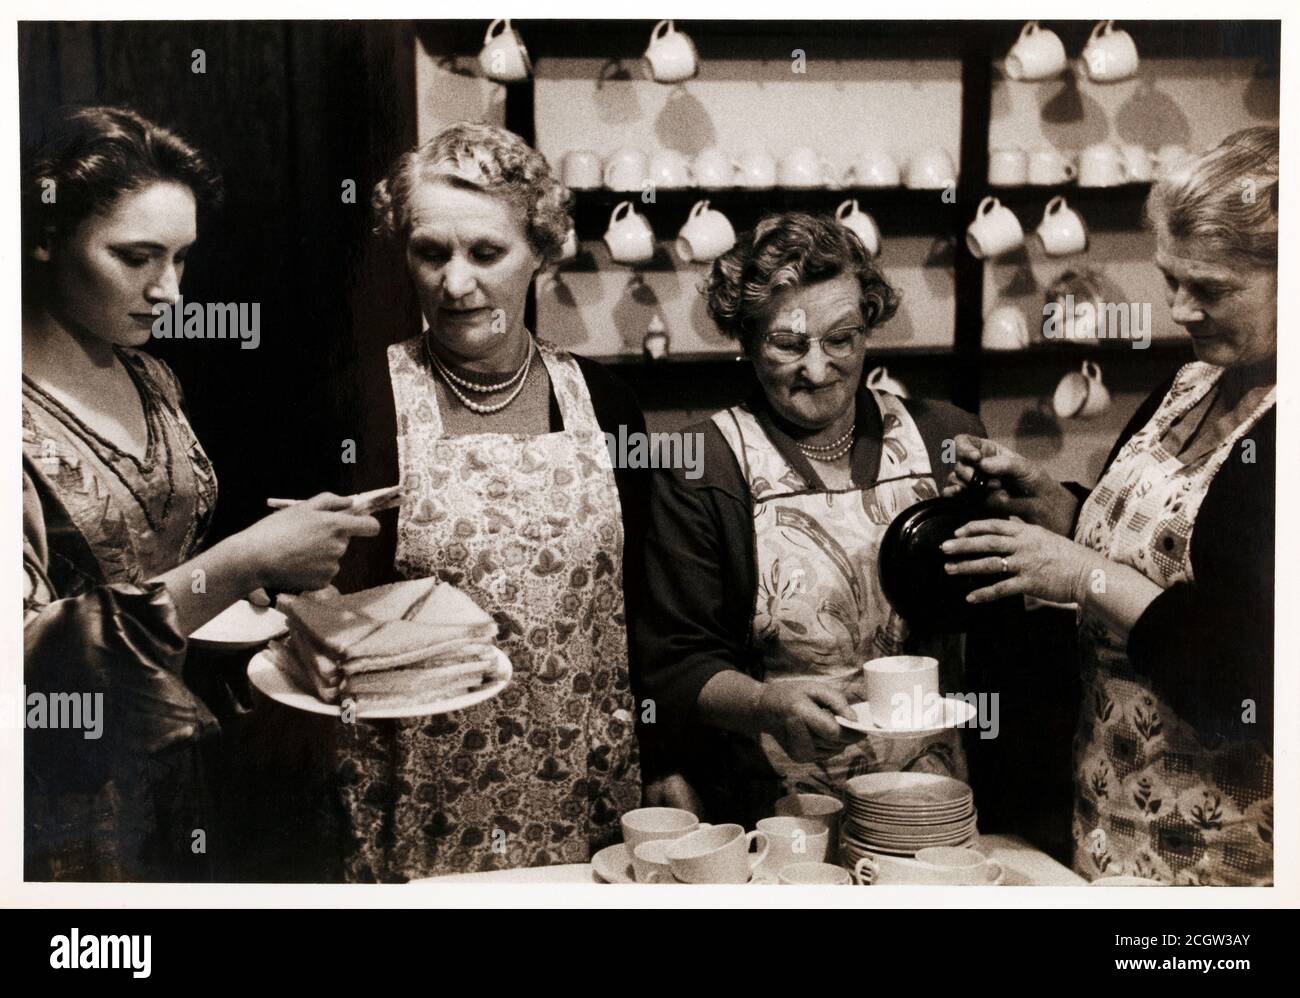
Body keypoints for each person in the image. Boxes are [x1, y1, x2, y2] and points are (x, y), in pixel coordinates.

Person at [21, 105, 379, 881]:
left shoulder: (148, 376)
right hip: (57, 810)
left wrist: (271, 571)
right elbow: (23, 661)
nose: (171, 292)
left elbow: (164, 563)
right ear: (45, 238)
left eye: (181, 259)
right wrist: (241, 561)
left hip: (183, 778)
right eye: (137, 257)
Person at [944, 127, 1277, 886]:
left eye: (1212, 288)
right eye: (1171, 279)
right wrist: (1057, 509)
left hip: (1229, 840)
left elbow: (1243, 680)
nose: (1180, 309)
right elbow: (1165, 544)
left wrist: (1082, 576)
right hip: (1113, 803)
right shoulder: (1194, 382)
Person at [320, 121, 647, 880]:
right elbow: (315, 613)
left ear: (543, 248)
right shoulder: (360, 402)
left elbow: (648, 608)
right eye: (430, 252)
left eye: (487, 252)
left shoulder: (608, 402)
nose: (454, 283)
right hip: (415, 787)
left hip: (586, 782)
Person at [633, 212, 989, 826]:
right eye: (788, 344)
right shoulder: (703, 466)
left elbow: (997, 612)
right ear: (745, 342)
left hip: (936, 791)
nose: (818, 369)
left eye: (841, 339)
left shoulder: (946, 436)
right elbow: (673, 662)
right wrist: (766, 702)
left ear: (870, 324)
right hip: (777, 799)